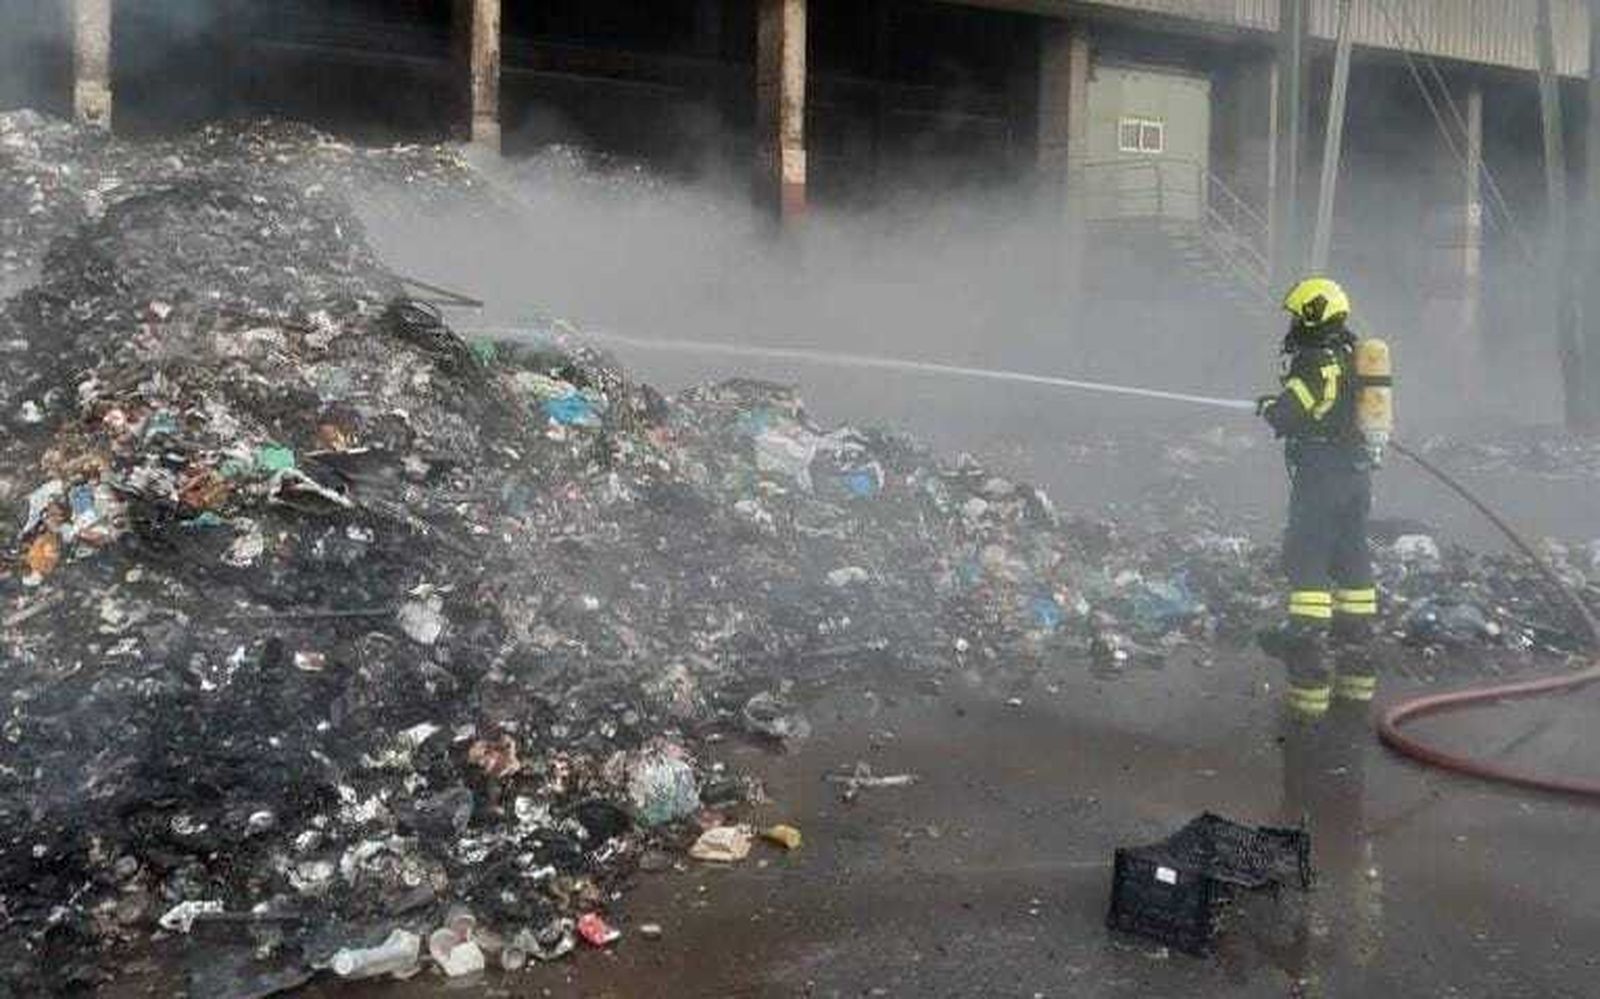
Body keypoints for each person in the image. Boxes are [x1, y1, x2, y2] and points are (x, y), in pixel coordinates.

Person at [1255, 278, 1378, 721]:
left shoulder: (1315, 361)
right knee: (1351, 549)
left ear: (1313, 315)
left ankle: (1306, 634)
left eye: (1296, 314)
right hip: (1356, 472)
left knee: (1307, 548)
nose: (1292, 323)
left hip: (1323, 472)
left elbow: (1295, 411)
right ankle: (1356, 627)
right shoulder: (1351, 355)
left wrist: (1271, 408)